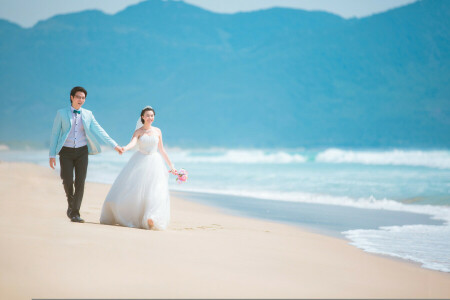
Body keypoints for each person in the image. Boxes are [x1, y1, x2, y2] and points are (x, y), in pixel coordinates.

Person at [49, 86, 123, 223]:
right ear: (72, 97)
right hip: (65, 151)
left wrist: (114, 145)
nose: (81, 100)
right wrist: (51, 155)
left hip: (82, 152)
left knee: (80, 182)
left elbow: (99, 130)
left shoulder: (88, 114)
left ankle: (75, 213)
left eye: (83, 98)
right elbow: (55, 134)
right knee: (66, 179)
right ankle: (71, 205)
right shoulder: (61, 113)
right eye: (78, 97)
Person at [100, 106, 176, 230]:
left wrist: (171, 166)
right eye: (147, 115)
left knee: (156, 191)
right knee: (135, 191)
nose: (150, 118)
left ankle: (151, 217)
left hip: (156, 162)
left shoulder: (158, 131)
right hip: (140, 162)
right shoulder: (139, 132)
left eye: (152, 115)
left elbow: (162, 150)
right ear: (142, 117)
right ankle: (137, 216)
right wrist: (124, 148)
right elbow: (133, 143)